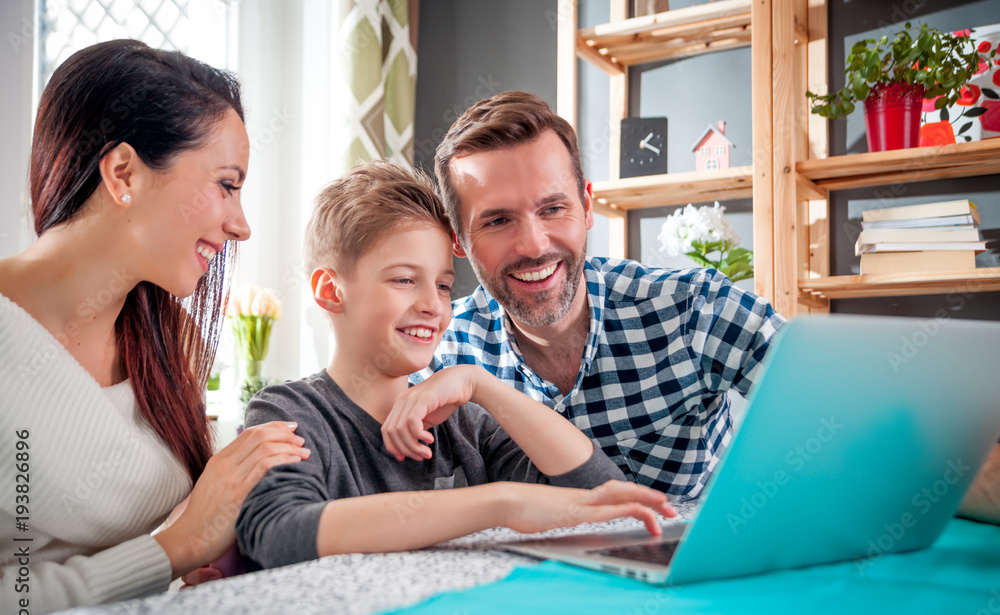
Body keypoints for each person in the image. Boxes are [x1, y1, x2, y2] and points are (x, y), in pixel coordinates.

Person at [235, 161, 675, 570]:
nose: (433, 305)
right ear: (332, 291)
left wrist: (480, 383)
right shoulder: (290, 414)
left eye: (443, 285)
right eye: (405, 279)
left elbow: (595, 499)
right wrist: (500, 504)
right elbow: (277, 533)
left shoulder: (463, 424)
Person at [0, 40, 310, 615]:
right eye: (226, 184)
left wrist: (203, 561)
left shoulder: (171, 344)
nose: (241, 225)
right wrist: (172, 551)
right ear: (124, 174)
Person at [414, 91, 785, 501]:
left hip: (692, 560)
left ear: (587, 205)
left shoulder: (693, 310)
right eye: (498, 220)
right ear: (458, 239)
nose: (534, 246)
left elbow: (845, 407)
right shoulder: (440, 350)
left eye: (553, 208)